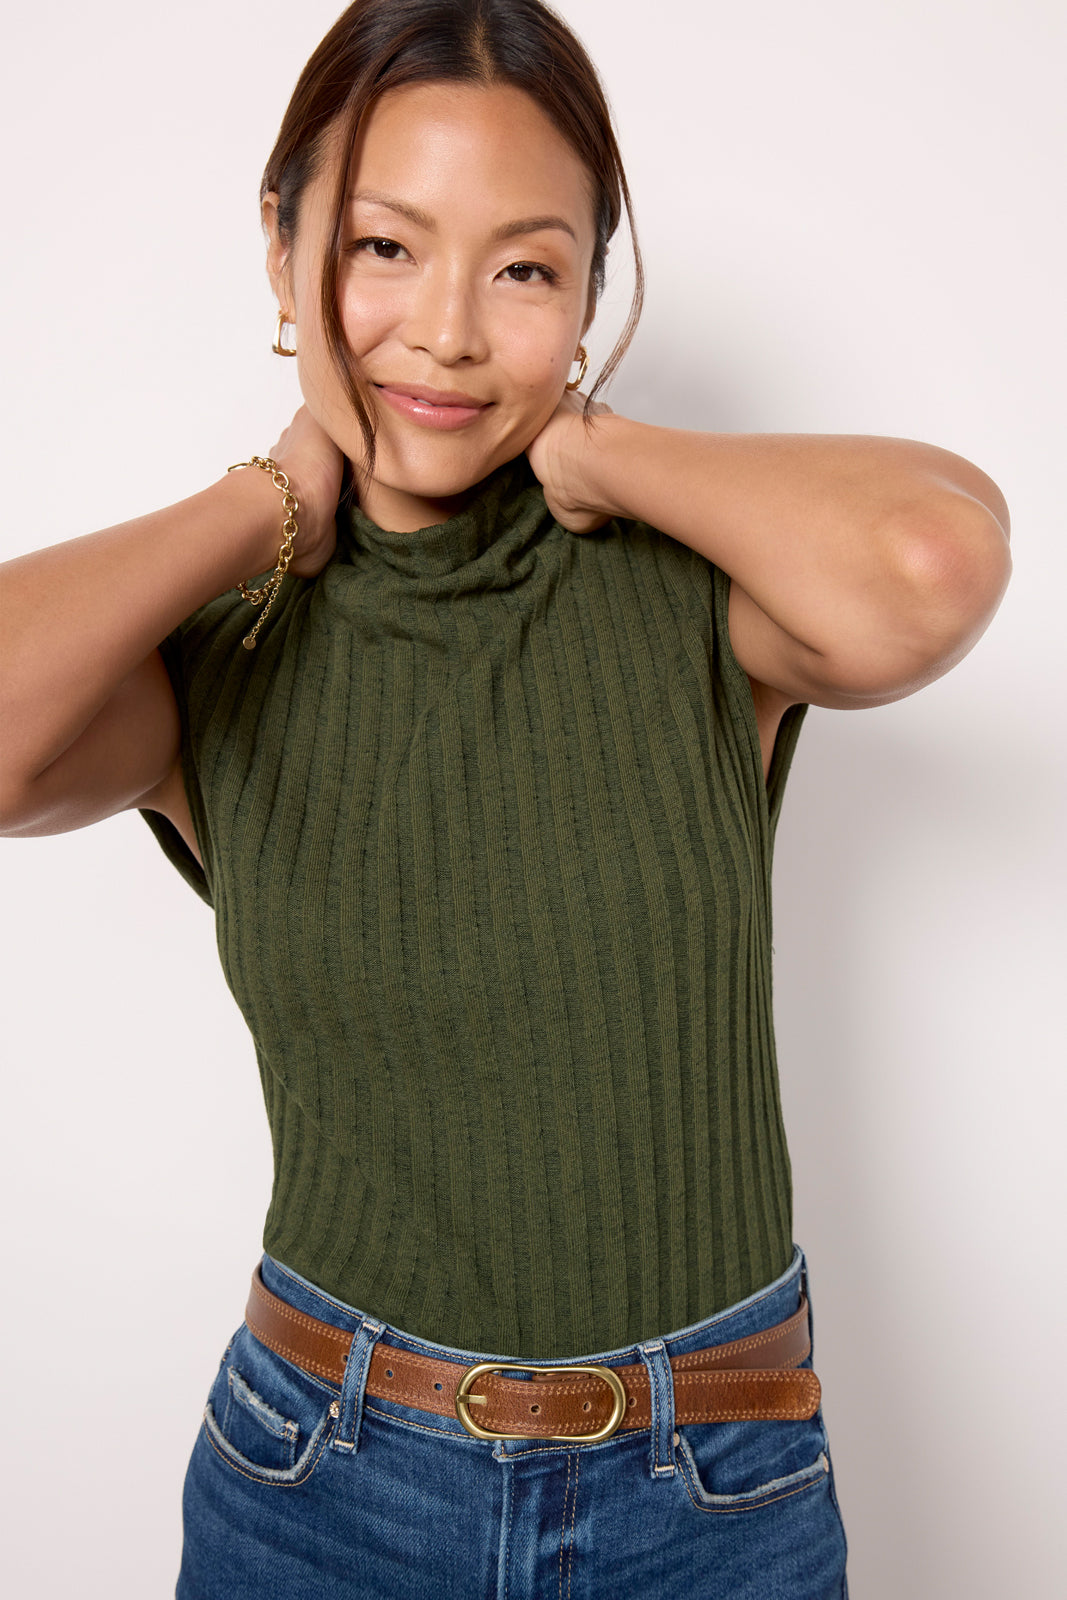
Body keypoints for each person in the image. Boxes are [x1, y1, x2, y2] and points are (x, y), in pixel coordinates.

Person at [0, 1, 1011, 1594]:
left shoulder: (698, 601)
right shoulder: (221, 654)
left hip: (712, 1487)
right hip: (322, 1480)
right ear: (282, 249)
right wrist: (263, 500)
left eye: (526, 271)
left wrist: (601, 456)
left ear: (591, 296)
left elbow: (932, 563)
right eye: (382, 248)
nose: (448, 332)